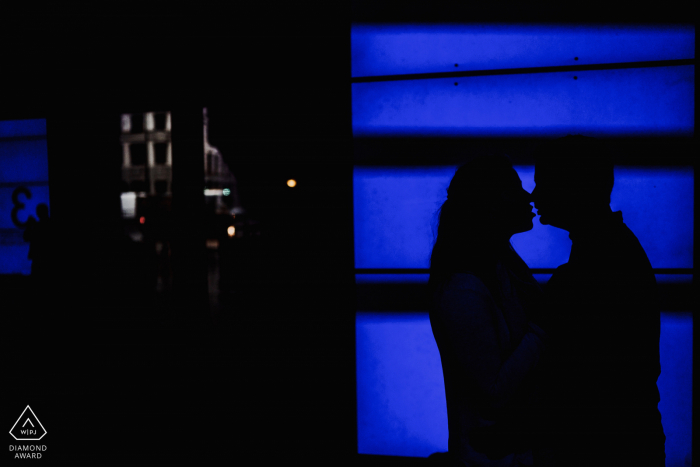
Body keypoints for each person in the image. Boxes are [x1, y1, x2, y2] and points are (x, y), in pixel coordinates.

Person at [531, 135, 665, 466]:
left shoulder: (598, 263)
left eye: (543, 183)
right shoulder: (610, 249)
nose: (534, 195)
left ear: (573, 186)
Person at [428, 155, 549, 467]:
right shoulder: (463, 289)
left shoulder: (502, 267)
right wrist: (543, 326)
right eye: (516, 188)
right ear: (491, 203)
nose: (529, 196)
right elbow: (493, 393)